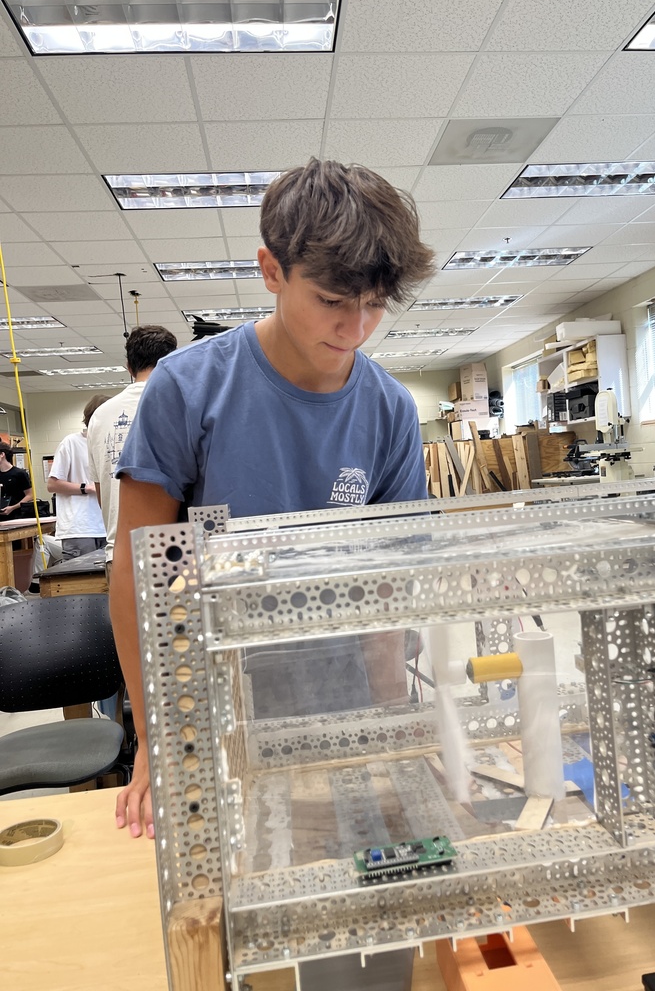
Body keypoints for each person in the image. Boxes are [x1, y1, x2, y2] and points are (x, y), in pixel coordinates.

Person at [110, 157, 435, 839]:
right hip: (214, 692)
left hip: (340, 686)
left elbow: (390, 589)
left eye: (374, 304)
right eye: (332, 300)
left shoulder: (389, 410)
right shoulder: (186, 389)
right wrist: (156, 736)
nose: (355, 328)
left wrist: (388, 726)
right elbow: (137, 576)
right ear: (271, 270)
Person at [87, 324, 178, 576]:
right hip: (176, 550)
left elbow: (100, 492)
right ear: (172, 362)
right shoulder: (182, 405)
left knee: (126, 617)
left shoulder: (100, 416)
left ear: (129, 366)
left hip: (120, 552)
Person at [46, 395, 109, 560]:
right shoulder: (71, 443)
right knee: (83, 582)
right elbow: (52, 484)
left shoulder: (108, 443)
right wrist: (86, 488)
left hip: (108, 526)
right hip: (80, 528)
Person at [0, 442, 33, 519]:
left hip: (17, 516)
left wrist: (12, 507)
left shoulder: (20, 474)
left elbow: (30, 495)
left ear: (2, 454)